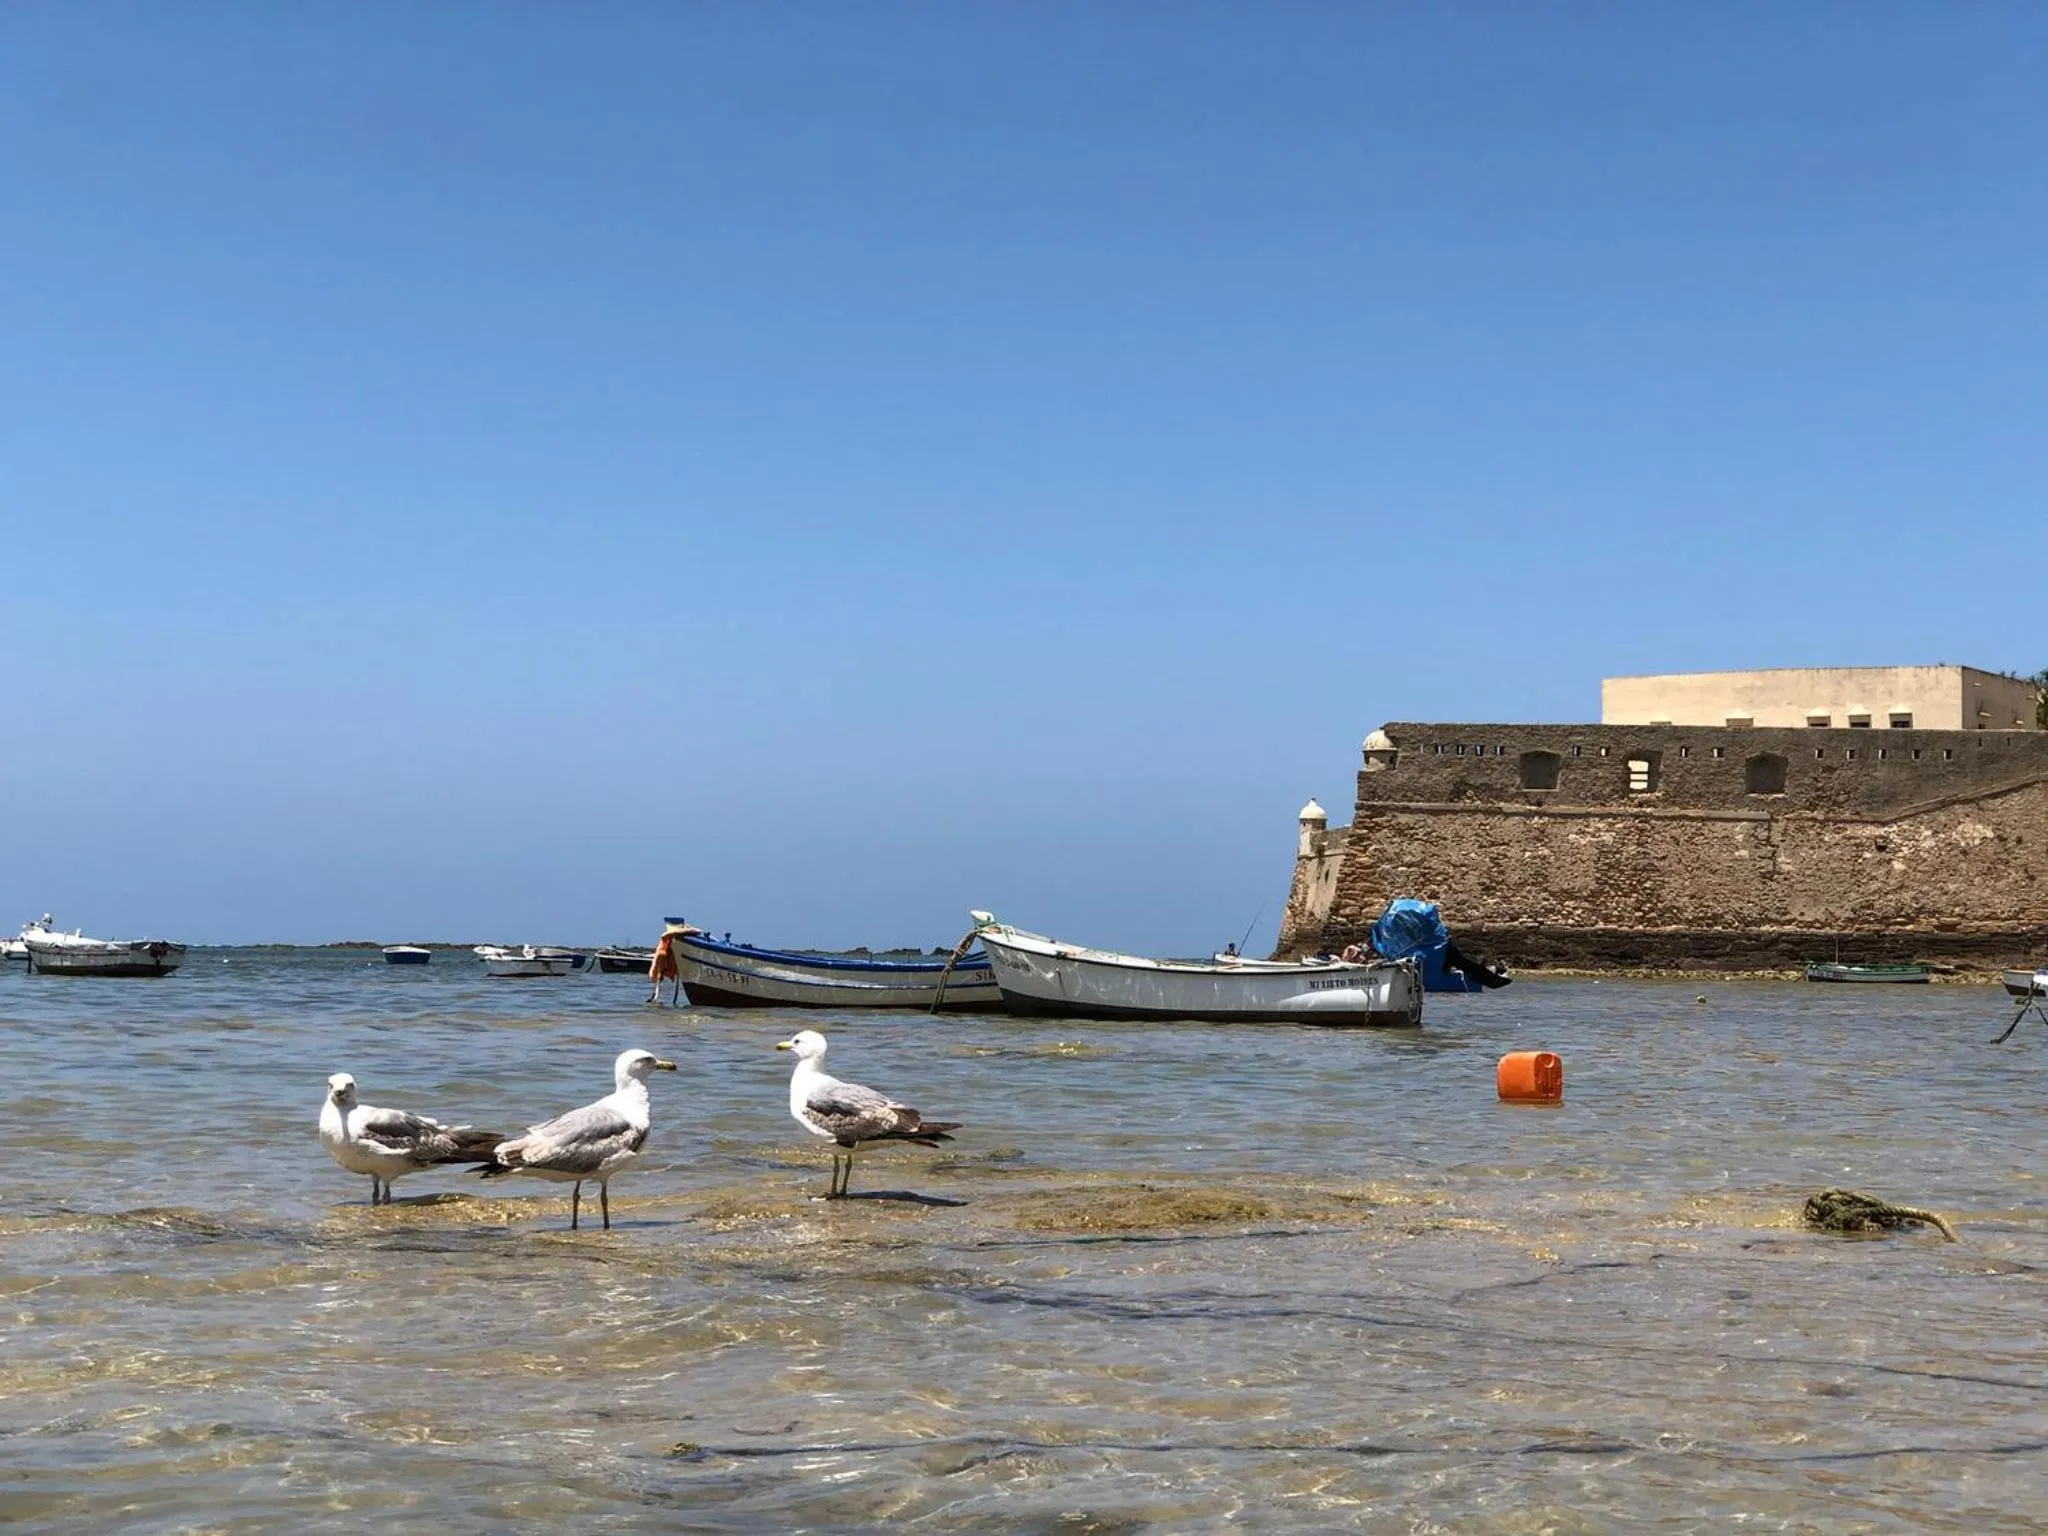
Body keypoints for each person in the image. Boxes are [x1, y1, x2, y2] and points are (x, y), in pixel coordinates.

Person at [647, 929, 682, 1005]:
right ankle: (655, 997)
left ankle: (656, 997)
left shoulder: (668, 947)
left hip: (665, 963)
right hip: (660, 964)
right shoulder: (662, 950)